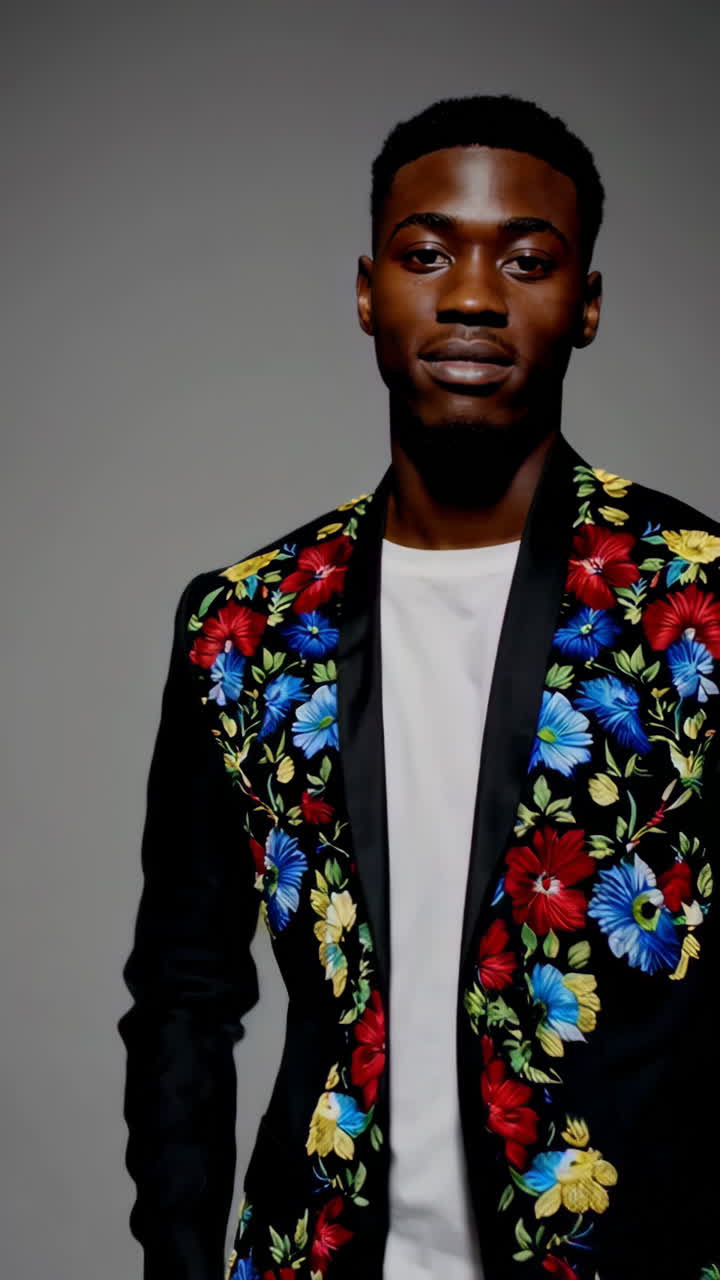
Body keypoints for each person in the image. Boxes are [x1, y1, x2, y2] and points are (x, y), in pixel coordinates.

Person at [118, 94, 720, 1280]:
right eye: (428, 253)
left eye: (528, 260)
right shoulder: (245, 623)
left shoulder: (693, 604)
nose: (474, 296)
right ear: (367, 291)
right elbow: (184, 992)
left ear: (586, 303)